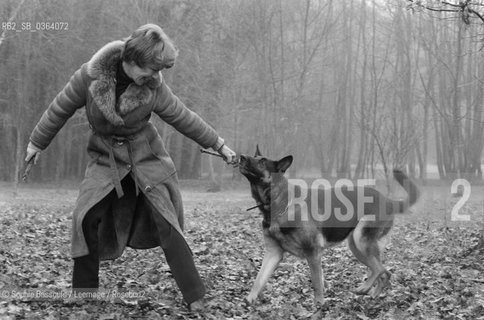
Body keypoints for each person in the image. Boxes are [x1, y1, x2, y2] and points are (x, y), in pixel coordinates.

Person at [25, 24, 236, 312]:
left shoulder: (153, 87)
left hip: (145, 157)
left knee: (167, 219)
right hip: (105, 158)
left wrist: (219, 145)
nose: (154, 76)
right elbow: (59, 108)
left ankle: (194, 294)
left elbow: (183, 117)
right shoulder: (88, 76)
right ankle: (85, 293)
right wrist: (37, 143)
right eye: (150, 69)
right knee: (85, 217)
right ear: (132, 59)